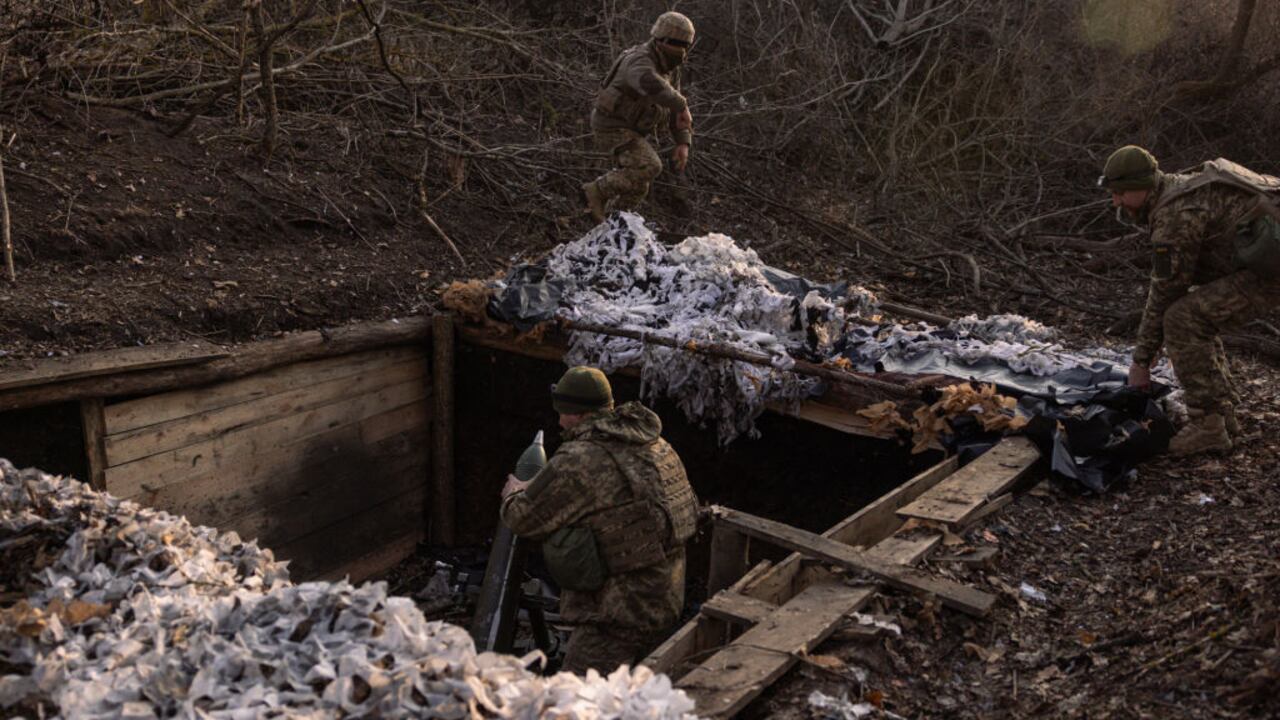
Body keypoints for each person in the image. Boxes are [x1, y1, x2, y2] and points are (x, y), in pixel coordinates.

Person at [500, 366, 698, 673]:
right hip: (666, 601)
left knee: (575, 703)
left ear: (575, 414)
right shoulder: (653, 442)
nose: (560, 421)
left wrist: (514, 492)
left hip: (615, 617)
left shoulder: (580, 459)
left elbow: (522, 519)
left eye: (563, 412)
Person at [1101, 145, 1280, 455]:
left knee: (1182, 319)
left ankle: (1209, 426)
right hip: (1262, 263)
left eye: (1122, 192)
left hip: (1270, 272)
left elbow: (1165, 292)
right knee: (1196, 314)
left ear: (1144, 186)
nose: (1116, 201)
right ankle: (1221, 413)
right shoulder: (1176, 189)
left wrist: (1141, 361)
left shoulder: (1176, 217)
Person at [582, 11, 696, 221]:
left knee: (639, 187)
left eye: (686, 46)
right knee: (651, 165)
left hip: (631, 130)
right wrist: (682, 104)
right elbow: (651, 84)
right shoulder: (638, 60)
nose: (682, 51)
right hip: (611, 126)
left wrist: (682, 142)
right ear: (661, 40)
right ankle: (596, 191)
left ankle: (612, 223)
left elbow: (672, 105)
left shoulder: (669, 67)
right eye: (677, 44)